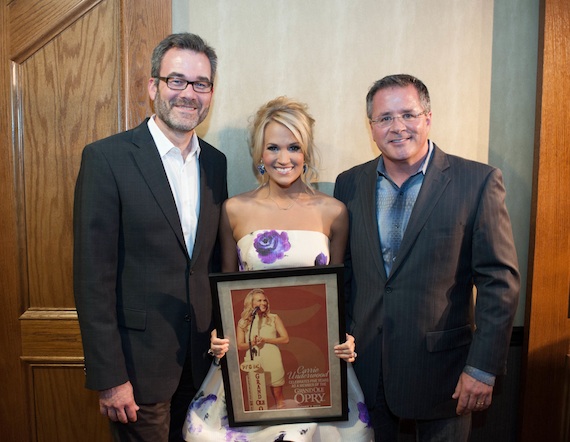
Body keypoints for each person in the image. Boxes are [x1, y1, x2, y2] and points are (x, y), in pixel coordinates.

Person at [333, 74, 520, 441]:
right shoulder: (349, 183)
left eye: (408, 114)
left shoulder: (476, 181)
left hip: (444, 375)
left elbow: (500, 283)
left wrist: (482, 368)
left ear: (428, 118)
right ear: (370, 127)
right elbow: (347, 273)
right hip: (366, 370)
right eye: (384, 118)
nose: (397, 127)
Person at [183, 97, 373, 441]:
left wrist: (345, 338)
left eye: (294, 147)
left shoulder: (334, 212)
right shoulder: (234, 210)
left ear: (306, 153)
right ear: (259, 154)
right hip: (248, 363)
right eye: (273, 147)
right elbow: (227, 292)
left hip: (315, 366)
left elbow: (337, 294)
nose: (283, 159)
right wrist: (219, 334)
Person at [73, 33, 227, 442]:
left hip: (201, 365)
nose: (188, 94)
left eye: (200, 84)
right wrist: (110, 377)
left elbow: (208, 264)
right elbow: (93, 279)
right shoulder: (106, 159)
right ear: (153, 86)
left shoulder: (216, 162)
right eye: (176, 80)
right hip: (137, 373)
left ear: (211, 92)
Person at [236, 288, 289, 408]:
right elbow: (240, 346)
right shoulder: (243, 322)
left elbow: (285, 339)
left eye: (264, 300)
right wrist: (253, 343)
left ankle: (282, 420)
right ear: (251, 303)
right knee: (257, 395)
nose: (263, 303)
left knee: (277, 393)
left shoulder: (274, 318)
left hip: (272, 358)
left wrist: (266, 340)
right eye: (259, 300)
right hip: (254, 361)